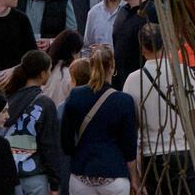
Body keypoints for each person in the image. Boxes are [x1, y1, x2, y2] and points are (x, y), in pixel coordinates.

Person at [129, 21, 195, 195]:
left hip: (151, 156)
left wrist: (135, 175)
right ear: (166, 43)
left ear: (142, 48)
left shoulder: (132, 80)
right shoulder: (185, 72)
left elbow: (130, 130)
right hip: (183, 152)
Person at [59, 47, 137, 195]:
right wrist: (135, 178)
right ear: (113, 67)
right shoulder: (124, 101)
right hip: (114, 173)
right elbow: (129, 146)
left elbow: (66, 143)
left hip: (82, 173)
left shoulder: (75, 96)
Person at [0, 51, 63, 195]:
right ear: (42, 74)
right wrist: (55, 183)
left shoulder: (8, 98)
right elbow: (49, 145)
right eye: (49, 70)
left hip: (8, 174)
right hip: (35, 176)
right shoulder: (44, 103)